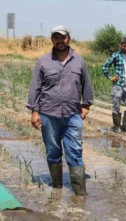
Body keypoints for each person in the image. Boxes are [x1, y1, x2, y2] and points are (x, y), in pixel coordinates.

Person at [26, 25, 93, 196]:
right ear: (52, 40)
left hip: (72, 114)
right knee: (53, 151)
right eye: (56, 37)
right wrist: (34, 111)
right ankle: (57, 189)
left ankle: (80, 194)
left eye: (62, 37)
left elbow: (86, 84)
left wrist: (86, 105)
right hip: (49, 113)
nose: (59, 40)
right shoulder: (43, 62)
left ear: (68, 38)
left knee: (75, 151)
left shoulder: (79, 61)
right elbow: (35, 87)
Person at [102, 37, 126, 133]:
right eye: (124, 46)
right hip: (118, 86)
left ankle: (125, 125)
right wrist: (110, 77)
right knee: (116, 106)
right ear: (121, 45)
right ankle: (116, 127)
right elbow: (105, 66)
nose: (125, 48)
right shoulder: (116, 55)